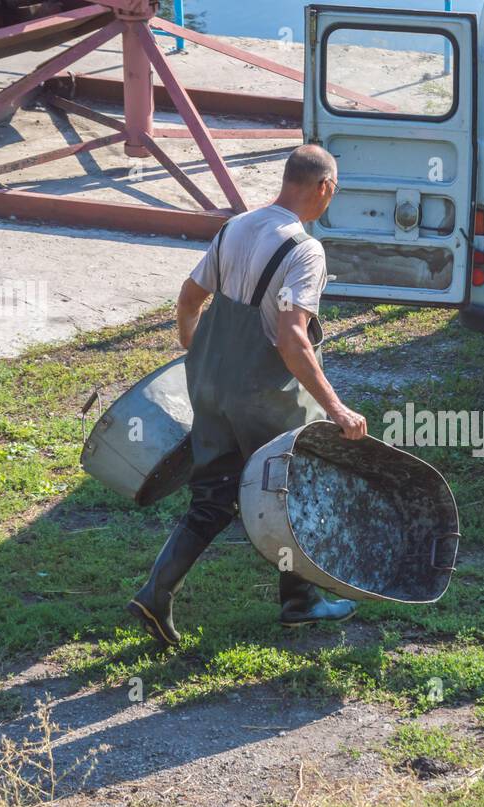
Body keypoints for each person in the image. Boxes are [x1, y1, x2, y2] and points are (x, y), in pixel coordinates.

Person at [128, 144, 367, 646]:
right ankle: (300, 601)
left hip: (209, 384)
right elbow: (291, 338)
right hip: (264, 392)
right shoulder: (305, 250)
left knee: (212, 496)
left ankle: (156, 593)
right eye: (335, 190)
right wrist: (335, 407)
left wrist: (202, 356)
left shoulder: (235, 227)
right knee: (293, 487)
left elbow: (190, 299)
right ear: (324, 188)